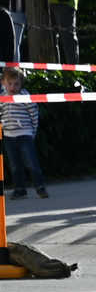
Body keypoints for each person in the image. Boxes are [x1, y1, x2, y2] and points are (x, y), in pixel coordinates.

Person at [2, 67, 46, 199]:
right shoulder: (2, 97)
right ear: (3, 83)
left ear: (21, 84)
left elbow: (34, 114)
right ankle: (20, 189)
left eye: (16, 84)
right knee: (15, 165)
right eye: (9, 83)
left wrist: (33, 132)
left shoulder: (25, 96)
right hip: (8, 136)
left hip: (25, 134)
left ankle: (40, 187)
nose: (12, 87)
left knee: (32, 163)